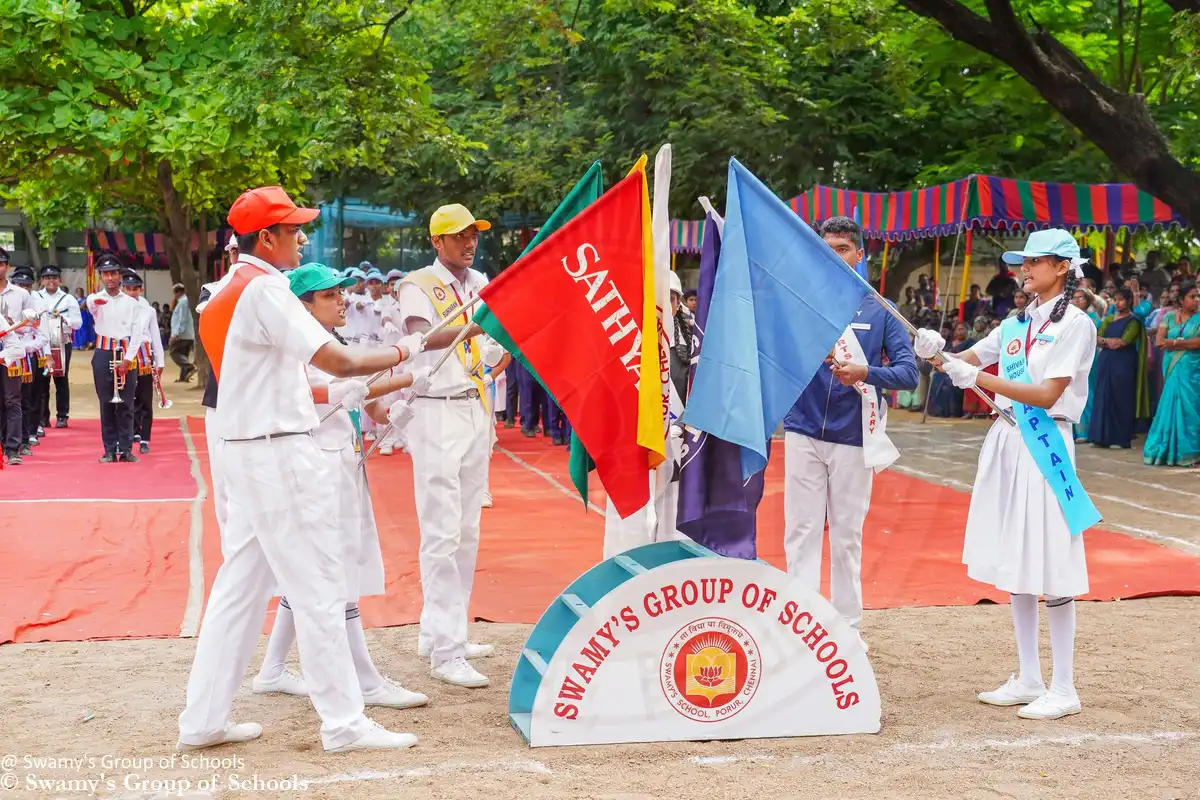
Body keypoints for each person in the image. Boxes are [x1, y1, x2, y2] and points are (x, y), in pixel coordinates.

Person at [178, 186, 424, 753]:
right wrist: (409, 350)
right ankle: (344, 723)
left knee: (239, 588)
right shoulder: (264, 288)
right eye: (293, 230)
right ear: (266, 237)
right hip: (277, 451)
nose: (302, 238)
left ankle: (203, 720)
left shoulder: (234, 290)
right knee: (317, 586)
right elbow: (337, 359)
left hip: (250, 448)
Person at [915, 228, 1097, 721]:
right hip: (1007, 440)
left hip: (1044, 442)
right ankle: (1029, 677)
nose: (1025, 268)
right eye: (1023, 261)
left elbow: (1045, 395)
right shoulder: (1016, 323)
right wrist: (934, 351)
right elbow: (967, 360)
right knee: (1017, 556)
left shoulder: (1076, 324)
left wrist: (977, 377)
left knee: (1052, 560)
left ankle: (1064, 686)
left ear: (1062, 267)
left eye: (1036, 261)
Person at [252, 262, 432, 710]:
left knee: (322, 568)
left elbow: (364, 398)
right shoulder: (292, 349)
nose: (343, 301)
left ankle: (272, 669)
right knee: (335, 572)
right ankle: (365, 680)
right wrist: (400, 373)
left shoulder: (337, 343)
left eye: (342, 293)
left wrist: (397, 410)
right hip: (314, 463)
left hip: (342, 459)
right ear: (304, 304)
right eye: (331, 295)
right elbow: (303, 391)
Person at [782, 216, 918, 650]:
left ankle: (847, 628)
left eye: (842, 248)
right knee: (799, 530)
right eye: (826, 248)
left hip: (854, 436)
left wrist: (866, 371)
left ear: (860, 254)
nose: (834, 255)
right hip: (803, 430)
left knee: (846, 536)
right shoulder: (801, 303)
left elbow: (908, 373)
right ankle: (798, 622)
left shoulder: (880, 309)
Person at [395, 203, 505, 688]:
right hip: (437, 413)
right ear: (436, 241)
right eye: (458, 236)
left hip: (476, 406)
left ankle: (444, 630)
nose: (468, 242)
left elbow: (495, 348)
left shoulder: (480, 283)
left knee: (467, 528)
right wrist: (483, 326)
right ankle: (446, 652)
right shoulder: (417, 284)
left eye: (473, 235)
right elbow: (424, 338)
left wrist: (501, 349)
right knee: (441, 533)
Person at [87, 253, 146, 463]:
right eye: (106, 274)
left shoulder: (132, 304)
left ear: (120, 276)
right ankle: (110, 449)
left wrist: (129, 359)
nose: (110, 278)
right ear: (101, 276)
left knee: (127, 403)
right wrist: (97, 299)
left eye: (113, 273)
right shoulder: (96, 299)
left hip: (125, 353)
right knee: (106, 403)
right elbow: (91, 304)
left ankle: (127, 448)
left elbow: (137, 333)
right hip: (103, 353)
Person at [1143, 281, 1200, 467]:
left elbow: (1198, 343)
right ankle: (1167, 451)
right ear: (1182, 300)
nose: (1197, 300)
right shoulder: (1168, 317)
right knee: (1170, 405)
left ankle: (1189, 453)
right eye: (1192, 297)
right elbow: (1159, 342)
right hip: (1172, 368)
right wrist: (1183, 342)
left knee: (1190, 409)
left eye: (1198, 296)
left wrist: (1174, 343)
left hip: (1193, 371)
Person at [1088, 287, 1146, 449]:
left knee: (1121, 397)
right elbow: (1097, 337)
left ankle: (1120, 439)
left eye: (1121, 299)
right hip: (1106, 360)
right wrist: (1108, 341)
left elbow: (1122, 342)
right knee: (1103, 396)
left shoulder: (1133, 321)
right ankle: (1100, 437)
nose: (1118, 303)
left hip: (1124, 362)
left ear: (1128, 301)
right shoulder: (1109, 319)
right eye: (1116, 300)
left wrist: (1105, 341)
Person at [32, 265, 82, 430]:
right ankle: (42, 417)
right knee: (41, 380)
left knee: (61, 379)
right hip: (41, 343)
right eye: (47, 278)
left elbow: (78, 323)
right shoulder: (36, 297)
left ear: (60, 280)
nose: (51, 281)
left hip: (62, 343)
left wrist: (63, 319)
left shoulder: (68, 299)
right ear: (42, 280)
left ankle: (62, 416)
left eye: (54, 278)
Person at [122, 271, 165, 455]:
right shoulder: (117, 307)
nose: (132, 292)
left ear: (141, 289)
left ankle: (145, 438)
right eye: (128, 289)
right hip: (125, 354)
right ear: (123, 289)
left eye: (135, 289)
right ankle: (130, 433)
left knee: (145, 398)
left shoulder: (149, 310)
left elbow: (155, 336)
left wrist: (160, 361)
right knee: (127, 397)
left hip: (145, 355)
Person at [9, 268, 44, 455]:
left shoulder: (36, 305)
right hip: (5, 356)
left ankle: (25, 437)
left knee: (26, 398)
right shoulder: (5, 301)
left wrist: (26, 347)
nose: (23, 288)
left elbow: (43, 336)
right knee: (8, 400)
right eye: (19, 284)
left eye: (26, 285)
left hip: (25, 358)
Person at [669, 272, 693, 404]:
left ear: (678, 303)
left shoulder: (691, 344)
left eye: (670, 299)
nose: (664, 304)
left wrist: (679, 424)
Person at [169, 282, 196, 382]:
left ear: (178, 292)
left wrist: (176, 333)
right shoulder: (185, 301)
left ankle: (189, 367)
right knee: (183, 355)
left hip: (182, 334)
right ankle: (183, 376)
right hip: (188, 334)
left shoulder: (183, 302)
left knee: (173, 352)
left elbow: (181, 319)